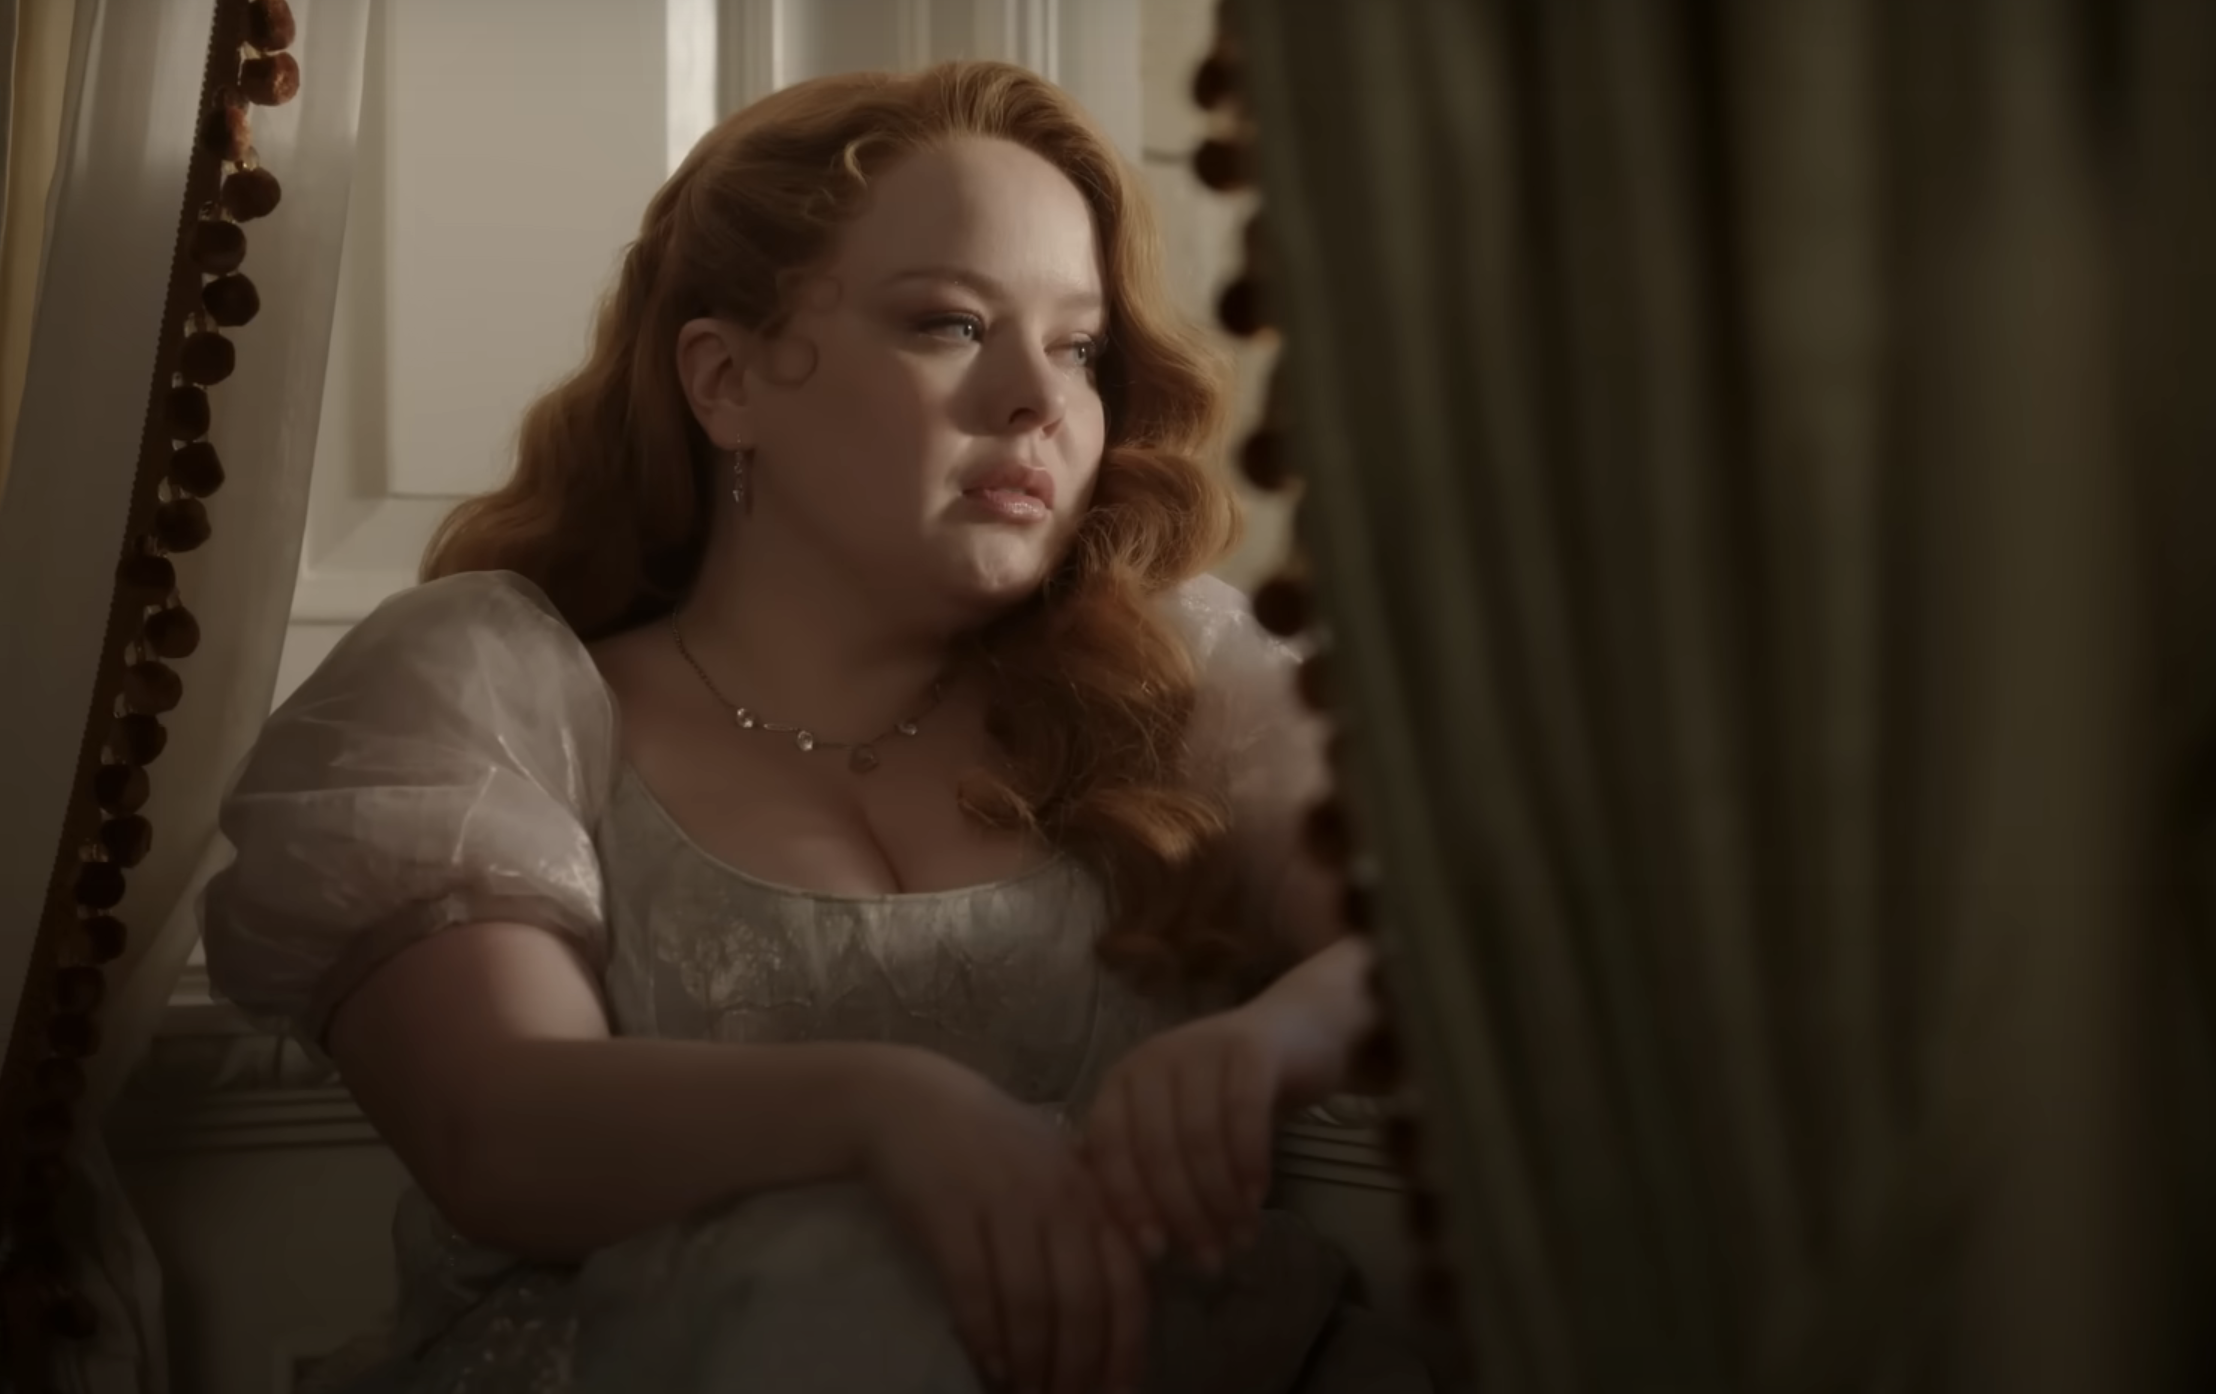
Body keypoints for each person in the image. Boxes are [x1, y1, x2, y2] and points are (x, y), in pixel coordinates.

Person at [201, 60, 1428, 1394]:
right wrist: (881, 1108)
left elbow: (1441, 955)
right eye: (952, 324)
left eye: (1079, 345)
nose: (1041, 397)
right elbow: (492, 1124)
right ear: (726, 380)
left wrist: (1267, 1040)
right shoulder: (497, 693)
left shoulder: (1182, 683)